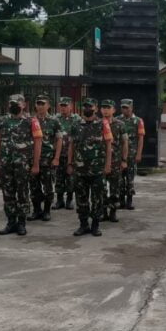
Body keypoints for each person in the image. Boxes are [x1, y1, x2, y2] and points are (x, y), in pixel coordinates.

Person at [0, 94, 42, 236]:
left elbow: (38, 143)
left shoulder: (32, 121)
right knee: (8, 194)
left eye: (18, 103)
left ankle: (21, 223)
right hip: (6, 165)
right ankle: (11, 222)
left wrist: (36, 164)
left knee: (23, 194)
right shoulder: (2, 121)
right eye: (12, 103)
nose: (14, 105)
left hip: (23, 166)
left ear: (24, 105)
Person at [68, 98, 112, 237]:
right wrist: (69, 163)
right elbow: (72, 146)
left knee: (97, 198)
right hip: (80, 170)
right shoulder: (76, 125)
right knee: (81, 198)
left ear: (95, 108)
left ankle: (95, 225)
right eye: (85, 106)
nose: (88, 109)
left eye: (90, 106)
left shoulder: (102, 124)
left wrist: (107, 165)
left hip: (97, 169)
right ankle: (83, 224)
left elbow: (108, 145)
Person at [28, 95, 63, 222]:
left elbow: (59, 140)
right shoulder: (30, 120)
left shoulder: (54, 121)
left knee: (48, 187)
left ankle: (47, 211)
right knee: (33, 186)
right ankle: (36, 210)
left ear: (48, 105)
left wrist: (56, 158)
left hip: (48, 159)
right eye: (38, 103)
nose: (40, 106)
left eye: (43, 104)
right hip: (32, 159)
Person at [100, 100, 128, 223]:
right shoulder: (97, 124)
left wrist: (124, 160)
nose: (105, 110)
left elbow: (125, 143)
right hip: (100, 161)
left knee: (114, 188)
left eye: (108, 108)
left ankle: (113, 212)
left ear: (114, 110)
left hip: (116, 161)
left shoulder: (120, 125)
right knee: (101, 188)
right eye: (103, 108)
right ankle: (103, 212)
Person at [53, 97, 81, 210]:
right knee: (58, 178)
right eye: (61, 105)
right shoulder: (55, 119)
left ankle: (69, 200)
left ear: (71, 106)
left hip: (72, 154)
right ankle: (59, 200)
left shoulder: (77, 119)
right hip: (58, 154)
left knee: (70, 178)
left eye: (65, 105)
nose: (63, 108)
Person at [118, 99, 146, 210]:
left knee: (130, 179)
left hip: (132, 154)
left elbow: (141, 138)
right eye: (123, 107)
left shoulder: (138, 121)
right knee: (119, 179)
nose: (125, 110)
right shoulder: (117, 120)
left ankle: (129, 200)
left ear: (131, 108)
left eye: (127, 107)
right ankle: (121, 200)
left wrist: (139, 154)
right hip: (119, 154)